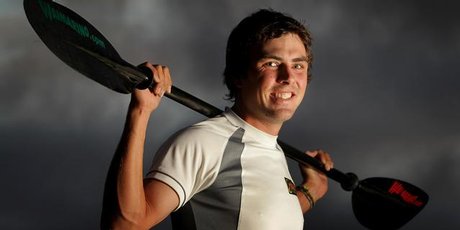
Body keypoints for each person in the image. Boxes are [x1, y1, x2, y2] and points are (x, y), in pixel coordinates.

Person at [101, 9, 334, 230]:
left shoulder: (272, 152)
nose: (288, 77)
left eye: (298, 65)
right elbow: (124, 225)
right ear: (238, 76)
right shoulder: (204, 142)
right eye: (271, 63)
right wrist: (140, 111)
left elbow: (263, 213)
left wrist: (313, 189)